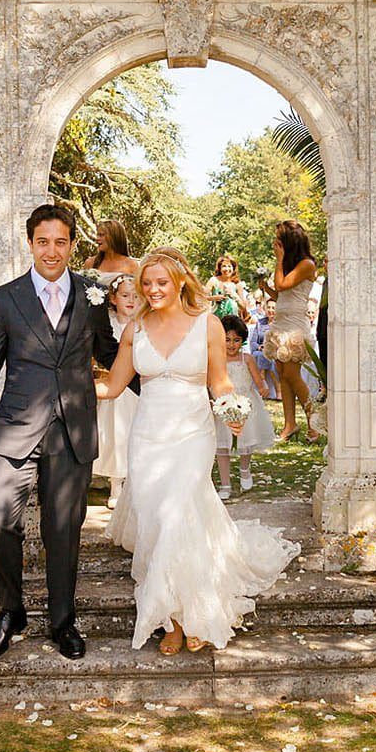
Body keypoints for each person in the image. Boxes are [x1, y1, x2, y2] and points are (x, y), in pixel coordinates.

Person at [96, 249, 299, 655]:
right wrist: (65, 385)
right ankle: (172, 616)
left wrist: (232, 409)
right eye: (147, 283)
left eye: (161, 282)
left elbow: (219, 381)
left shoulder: (207, 324)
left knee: (178, 514)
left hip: (192, 433)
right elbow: (114, 385)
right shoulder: (135, 329)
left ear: (180, 283)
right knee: (159, 521)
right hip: (148, 437)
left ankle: (192, 615)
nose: (153, 290)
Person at [0, 204, 99, 665]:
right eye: (43, 241)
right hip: (15, 429)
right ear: (30, 243)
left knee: (63, 531)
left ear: (72, 245)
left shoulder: (92, 294)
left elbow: (117, 352)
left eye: (61, 242)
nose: (52, 251)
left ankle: (62, 621)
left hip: (72, 432)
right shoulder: (4, 300)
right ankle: (11, 613)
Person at [262, 220, 320, 443]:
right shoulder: (290, 266)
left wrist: (279, 260)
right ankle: (290, 425)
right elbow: (281, 295)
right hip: (281, 324)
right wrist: (265, 289)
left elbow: (283, 285)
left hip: (295, 325)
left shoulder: (307, 264)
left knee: (292, 375)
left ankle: (315, 423)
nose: (275, 243)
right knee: (282, 374)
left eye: (279, 239)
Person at [213, 314, 275, 497]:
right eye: (227, 340)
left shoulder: (246, 359)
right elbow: (211, 381)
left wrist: (263, 388)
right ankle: (225, 484)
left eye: (236, 340)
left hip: (244, 404)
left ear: (242, 340)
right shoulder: (216, 359)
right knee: (222, 445)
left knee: (246, 440)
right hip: (223, 406)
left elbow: (257, 379)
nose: (232, 345)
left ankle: (244, 469)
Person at [92, 275, 140, 488]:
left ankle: (134, 482)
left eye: (136, 296)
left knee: (134, 433)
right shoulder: (107, 325)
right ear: (113, 298)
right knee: (115, 434)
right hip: (114, 390)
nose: (131, 300)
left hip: (136, 390)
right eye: (125, 295)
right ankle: (115, 484)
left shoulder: (143, 325)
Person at [247, 288, 279, 400]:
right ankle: (262, 384)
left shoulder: (280, 324)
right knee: (259, 354)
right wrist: (260, 347)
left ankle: (273, 389)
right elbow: (253, 342)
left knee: (266, 357)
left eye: (273, 308)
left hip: (275, 352)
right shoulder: (260, 323)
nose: (270, 310)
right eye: (268, 307)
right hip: (260, 351)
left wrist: (269, 347)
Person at [206, 254, 251, 323]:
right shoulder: (213, 280)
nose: (227, 269)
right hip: (216, 320)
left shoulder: (237, 284)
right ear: (220, 268)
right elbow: (202, 297)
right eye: (224, 266)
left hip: (233, 321)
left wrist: (234, 295)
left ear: (233, 268)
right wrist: (214, 298)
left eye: (229, 266)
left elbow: (243, 307)